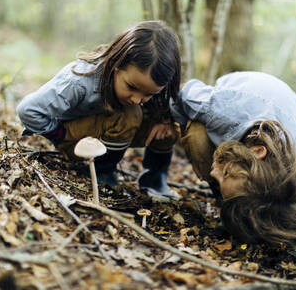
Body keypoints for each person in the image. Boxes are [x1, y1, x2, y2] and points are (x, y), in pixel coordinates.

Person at [171, 72, 296, 260]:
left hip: (277, 124)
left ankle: (244, 203)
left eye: (225, 173)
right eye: (225, 174)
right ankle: (226, 203)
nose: (213, 173)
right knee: (197, 135)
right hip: (241, 100)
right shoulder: (217, 109)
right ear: (256, 152)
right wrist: (172, 118)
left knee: (283, 205)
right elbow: (183, 90)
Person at [17, 20, 181, 197]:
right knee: (130, 114)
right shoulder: (78, 81)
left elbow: (172, 104)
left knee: (170, 130)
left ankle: (155, 181)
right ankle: (102, 173)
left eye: (149, 94)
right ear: (116, 65)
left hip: (105, 134)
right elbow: (28, 110)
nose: (137, 99)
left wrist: (165, 120)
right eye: (131, 87)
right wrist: (60, 134)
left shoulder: (150, 89)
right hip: (75, 139)